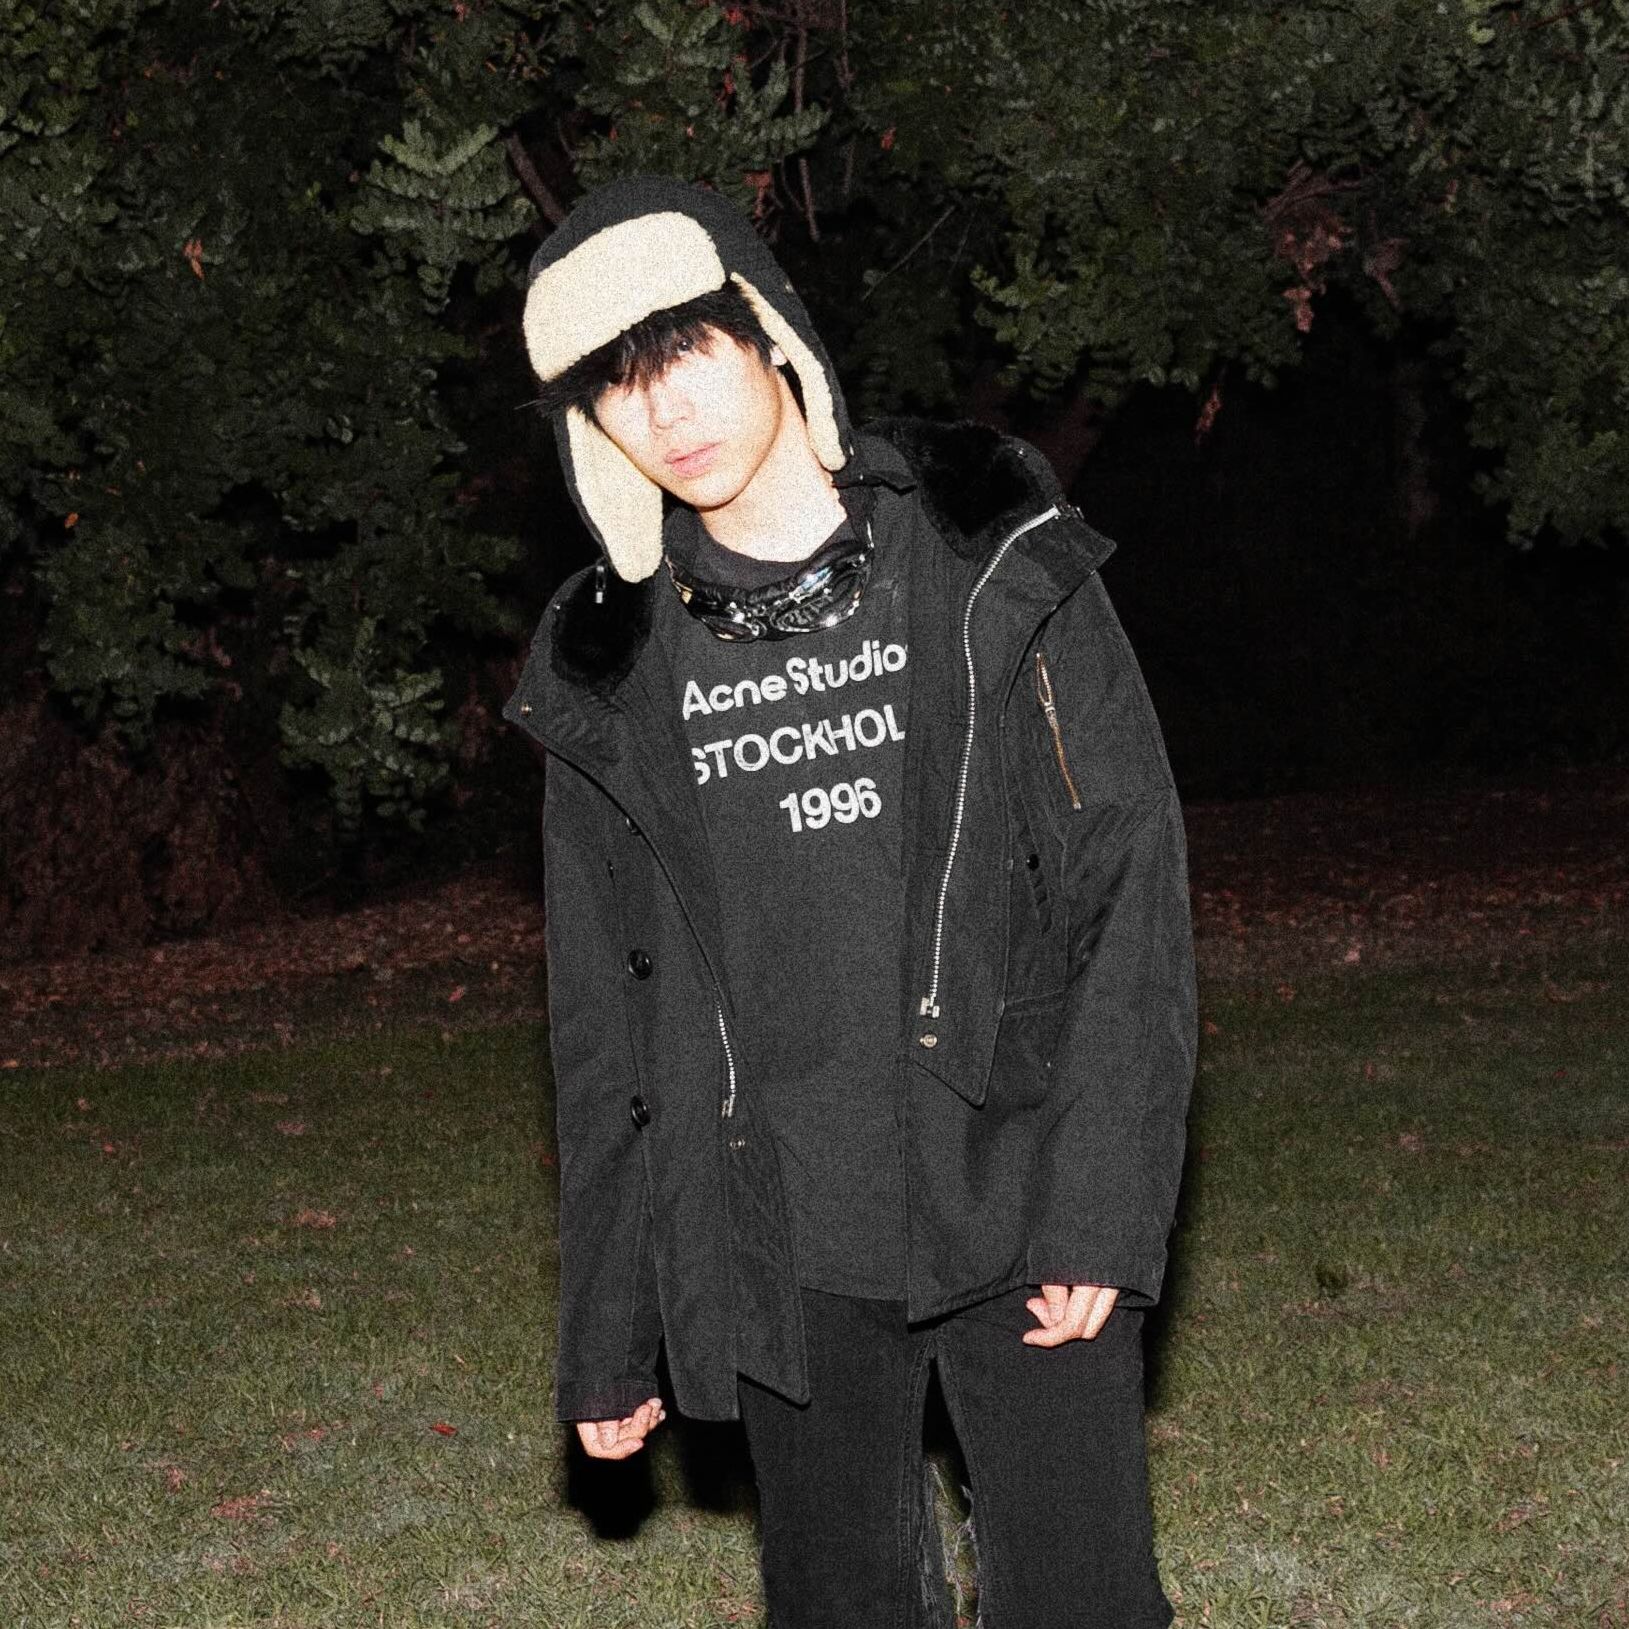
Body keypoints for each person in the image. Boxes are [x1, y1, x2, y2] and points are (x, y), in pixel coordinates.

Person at [504, 175, 1197, 1629]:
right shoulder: (608, 667)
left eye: (685, 351)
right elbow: (601, 1021)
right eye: (617, 385)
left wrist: (1099, 1199)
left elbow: (1123, 873)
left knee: (1083, 1598)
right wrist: (609, 1325)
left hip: (1013, 1172)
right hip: (782, 1234)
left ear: (767, 333)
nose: (665, 408)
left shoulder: (982, 548)